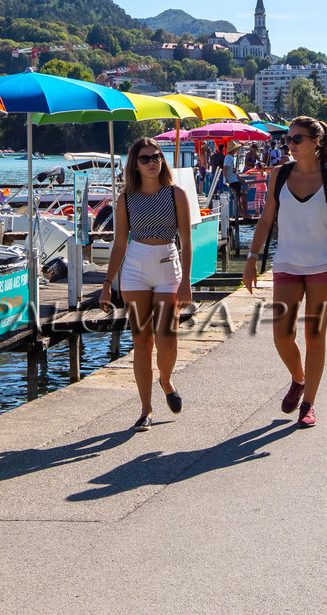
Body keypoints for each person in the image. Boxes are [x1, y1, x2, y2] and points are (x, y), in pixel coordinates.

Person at [243, 115, 327, 429]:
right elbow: (265, 220)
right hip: (287, 264)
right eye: (287, 139)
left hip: (323, 266)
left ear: (315, 142)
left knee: (315, 336)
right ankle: (298, 378)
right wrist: (251, 258)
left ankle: (309, 404)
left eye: (296, 139)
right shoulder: (279, 174)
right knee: (282, 334)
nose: (289, 145)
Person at [102, 137, 195, 432]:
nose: (152, 162)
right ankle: (146, 410)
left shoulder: (175, 194)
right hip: (135, 268)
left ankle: (166, 380)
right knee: (142, 342)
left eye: (156, 157)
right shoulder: (126, 198)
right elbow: (119, 243)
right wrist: (107, 284)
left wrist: (186, 282)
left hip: (168, 264)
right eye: (145, 159)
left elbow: (187, 241)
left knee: (167, 339)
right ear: (135, 165)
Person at [226, 144, 248, 219]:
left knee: (239, 197)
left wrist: (241, 179)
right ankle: (244, 213)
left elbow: (234, 172)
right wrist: (226, 179)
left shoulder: (231, 157)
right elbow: (225, 168)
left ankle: (243, 213)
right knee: (244, 194)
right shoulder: (229, 157)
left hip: (234, 180)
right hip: (233, 181)